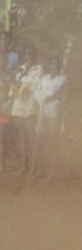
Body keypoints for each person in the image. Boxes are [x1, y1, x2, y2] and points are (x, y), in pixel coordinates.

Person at [30, 55, 66, 178]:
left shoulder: (63, 78)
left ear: (60, 66)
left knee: (52, 142)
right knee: (38, 142)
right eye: (52, 63)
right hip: (42, 111)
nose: (54, 66)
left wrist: (45, 96)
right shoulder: (44, 78)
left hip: (54, 111)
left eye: (56, 64)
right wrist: (43, 97)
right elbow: (37, 92)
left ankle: (52, 172)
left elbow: (53, 93)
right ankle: (40, 171)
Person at [8, 46, 41, 175]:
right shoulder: (20, 68)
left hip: (31, 104)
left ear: (35, 55)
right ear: (24, 55)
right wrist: (14, 82)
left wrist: (27, 88)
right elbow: (14, 85)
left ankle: (34, 167)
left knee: (31, 136)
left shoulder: (38, 68)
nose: (29, 56)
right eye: (27, 54)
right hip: (20, 103)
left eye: (31, 54)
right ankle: (24, 166)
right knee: (23, 137)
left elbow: (37, 83)